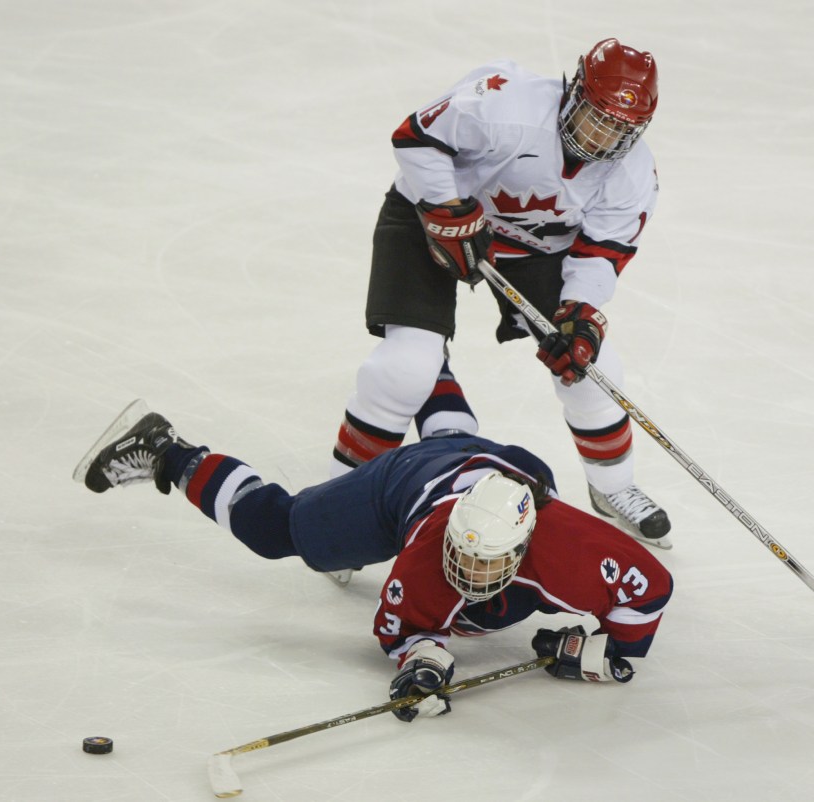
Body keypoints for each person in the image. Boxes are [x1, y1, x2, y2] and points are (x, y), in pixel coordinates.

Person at [75, 399, 673, 722]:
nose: (468, 573)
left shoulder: (573, 549)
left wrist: (615, 653)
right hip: (405, 490)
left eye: (488, 562)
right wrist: (424, 657)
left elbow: (650, 589)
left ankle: (431, 378)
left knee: (459, 444)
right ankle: (167, 451)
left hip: (509, 473)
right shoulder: (421, 562)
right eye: (462, 555)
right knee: (275, 529)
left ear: (521, 546)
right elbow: (397, 628)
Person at [331, 38, 672, 550]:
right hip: (430, 219)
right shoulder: (505, 103)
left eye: (621, 128)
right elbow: (416, 136)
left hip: (536, 249)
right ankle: (344, 501)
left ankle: (614, 488)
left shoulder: (633, 173)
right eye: (596, 117)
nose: (602, 137)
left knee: (593, 372)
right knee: (405, 367)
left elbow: (601, 252)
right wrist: (446, 207)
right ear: (573, 89)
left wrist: (579, 315)